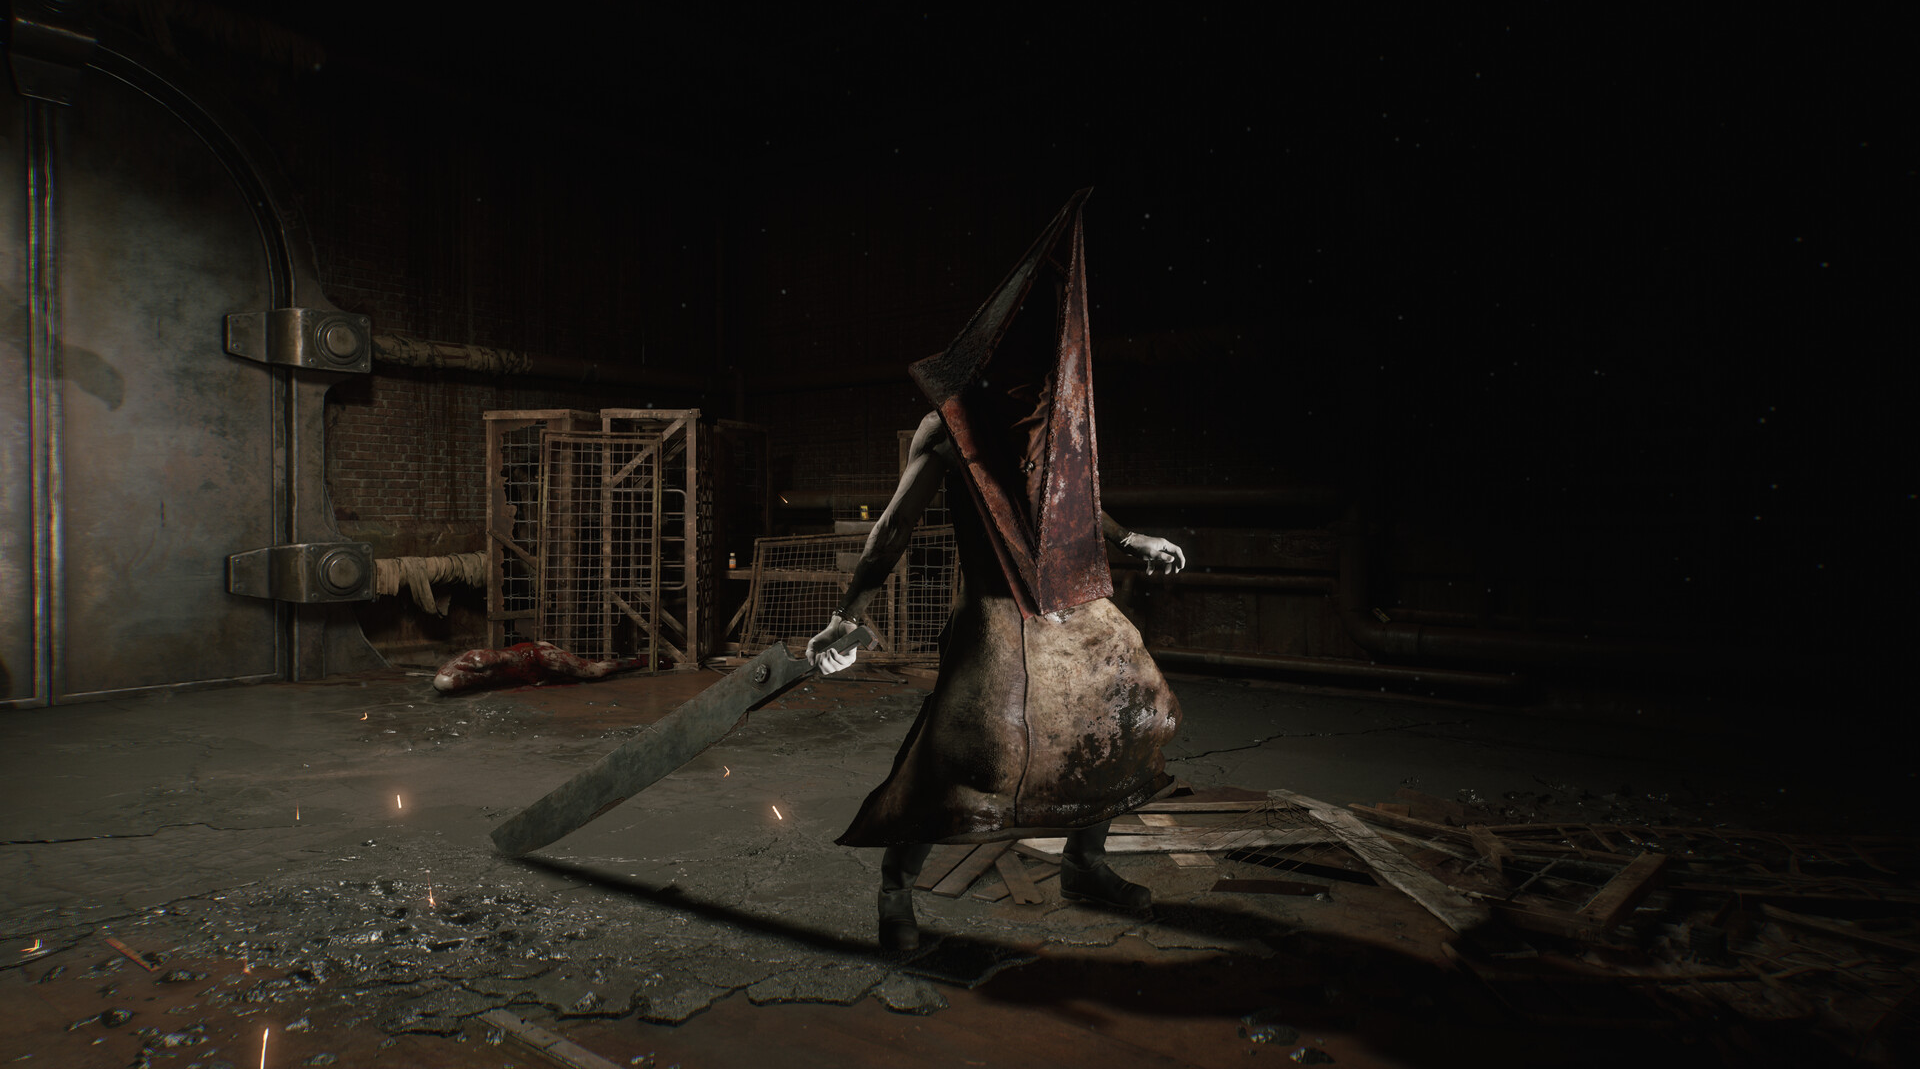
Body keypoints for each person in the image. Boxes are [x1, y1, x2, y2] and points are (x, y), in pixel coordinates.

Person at [807, 410, 1186, 951]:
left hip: (1070, 601)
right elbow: (894, 525)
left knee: (1123, 717)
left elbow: (1062, 501)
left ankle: (1084, 865)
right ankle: (896, 888)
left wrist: (1128, 539)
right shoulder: (950, 422)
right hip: (996, 609)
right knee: (960, 753)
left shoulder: (1053, 408)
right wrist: (846, 617)